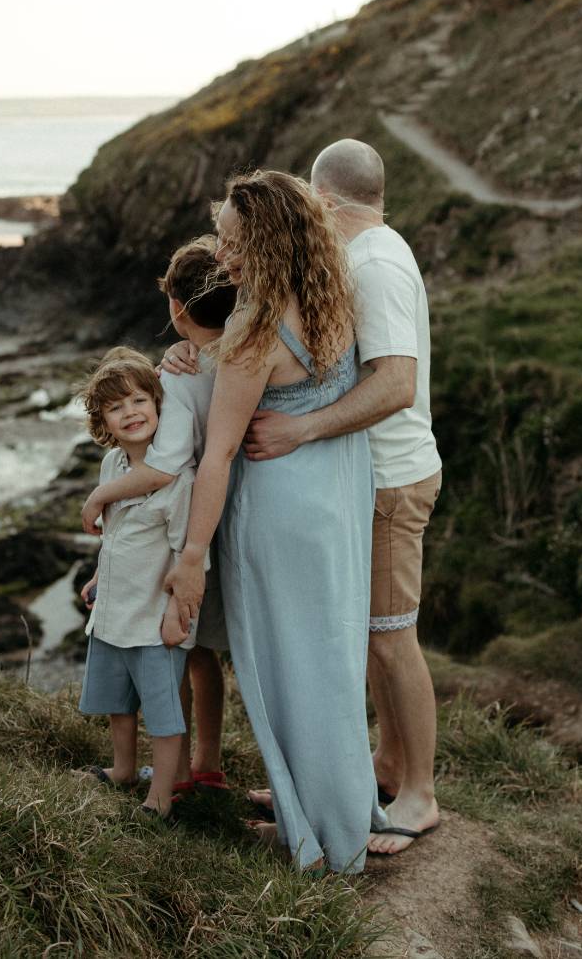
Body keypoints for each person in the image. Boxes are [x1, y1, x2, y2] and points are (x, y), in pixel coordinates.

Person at [164, 169, 387, 874]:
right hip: (335, 499)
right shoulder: (331, 295)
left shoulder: (255, 327)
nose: (220, 255)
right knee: (330, 659)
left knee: (288, 669)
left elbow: (219, 453)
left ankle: (320, 837)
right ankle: (336, 813)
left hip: (279, 513)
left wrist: (192, 556)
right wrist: (195, 350)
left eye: (232, 241)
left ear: (265, 241)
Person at [243, 139, 443, 855]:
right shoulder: (370, 253)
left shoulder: (376, 265)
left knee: (391, 639)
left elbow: (397, 384)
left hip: (391, 478)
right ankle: (383, 765)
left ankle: (419, 794)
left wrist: (301, 428)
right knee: (372, 635)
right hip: (371, 476)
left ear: (325, 200)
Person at [79, 237, 236, 790]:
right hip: (237, 509)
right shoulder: (245, 347)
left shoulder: (179, 376)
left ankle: (186, 772)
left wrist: (100, 496)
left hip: (199, 523)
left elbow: (165, 468)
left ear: (174, 306)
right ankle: (204, 764)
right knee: (202, 651)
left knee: (187, 650)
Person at [76, 348, 195, 817]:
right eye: (116, 406)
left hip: (154, 617)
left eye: (139, 400)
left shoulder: (179, 479)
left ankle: (161, 796)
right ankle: (124, 768)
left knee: (162, 712)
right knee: (117, 702)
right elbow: (114, 535)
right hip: (114, 612)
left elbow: (187, 552)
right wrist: (98, 576)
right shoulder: (112, 467)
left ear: (158, 405)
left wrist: (176, 611)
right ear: (103, 421)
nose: (130, 412)